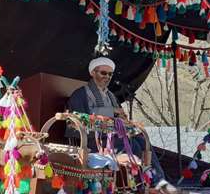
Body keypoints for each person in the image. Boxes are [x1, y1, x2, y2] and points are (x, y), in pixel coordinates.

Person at [66, 57, 177, 193]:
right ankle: (146, 185)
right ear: (93, 73)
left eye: (110, 74)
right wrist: (111, 112)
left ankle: (158, 182)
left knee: (143, 142)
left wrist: (124, 121)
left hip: (115, 136)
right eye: (103, 73)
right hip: (93, 140)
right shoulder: (80, 94)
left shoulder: (111, 96)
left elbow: (118, 117)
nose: (107, 77)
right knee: (133, 145)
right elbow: (79, 118)